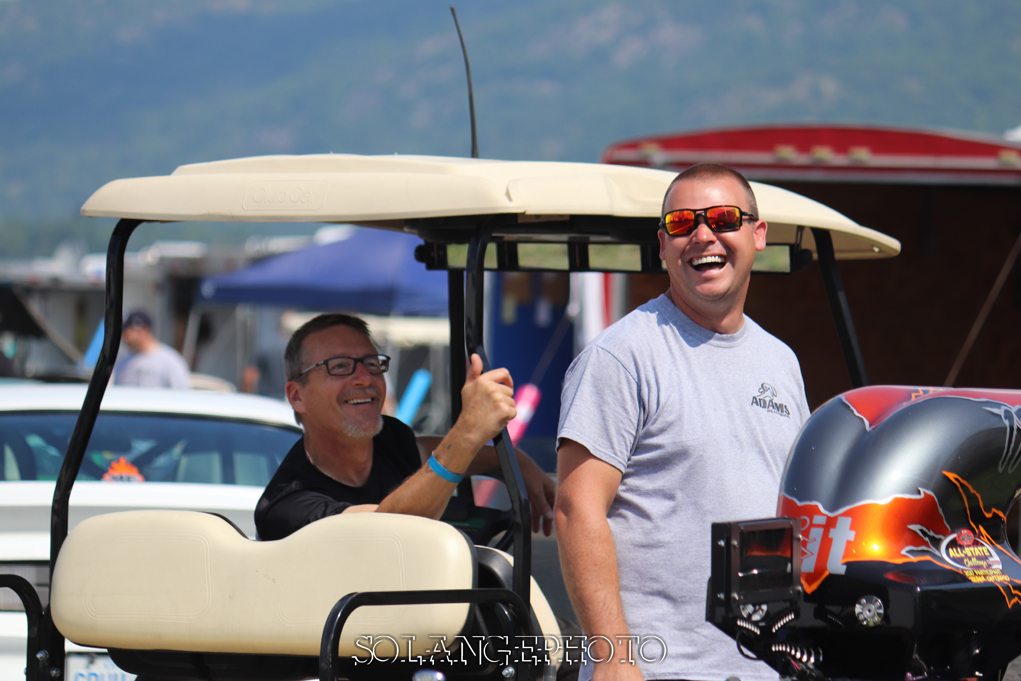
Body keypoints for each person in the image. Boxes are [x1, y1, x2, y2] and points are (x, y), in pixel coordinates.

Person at [555, 163, 810, 681]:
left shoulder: (780, 361)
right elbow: (576, 509)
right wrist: (613, 657)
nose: (701, 235)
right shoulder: (620, 357)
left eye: (722, 218)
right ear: (663, 245)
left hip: (769, 667)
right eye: (681, 224)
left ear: (758, 235)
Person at [255, 312, 556, 541]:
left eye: (372, 363)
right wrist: (468, 432)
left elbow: (433, 454)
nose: (364, 378)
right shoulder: (288, 508)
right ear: (297, 396)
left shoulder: (390, 439)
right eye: (340, 366)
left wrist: (515, 462)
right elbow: (393, 532)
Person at [112, 309, 191, 389]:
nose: (123, 335)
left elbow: (181, 394)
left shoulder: (170, 361)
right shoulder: (122, 361)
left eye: (126, 331)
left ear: (142, 330)